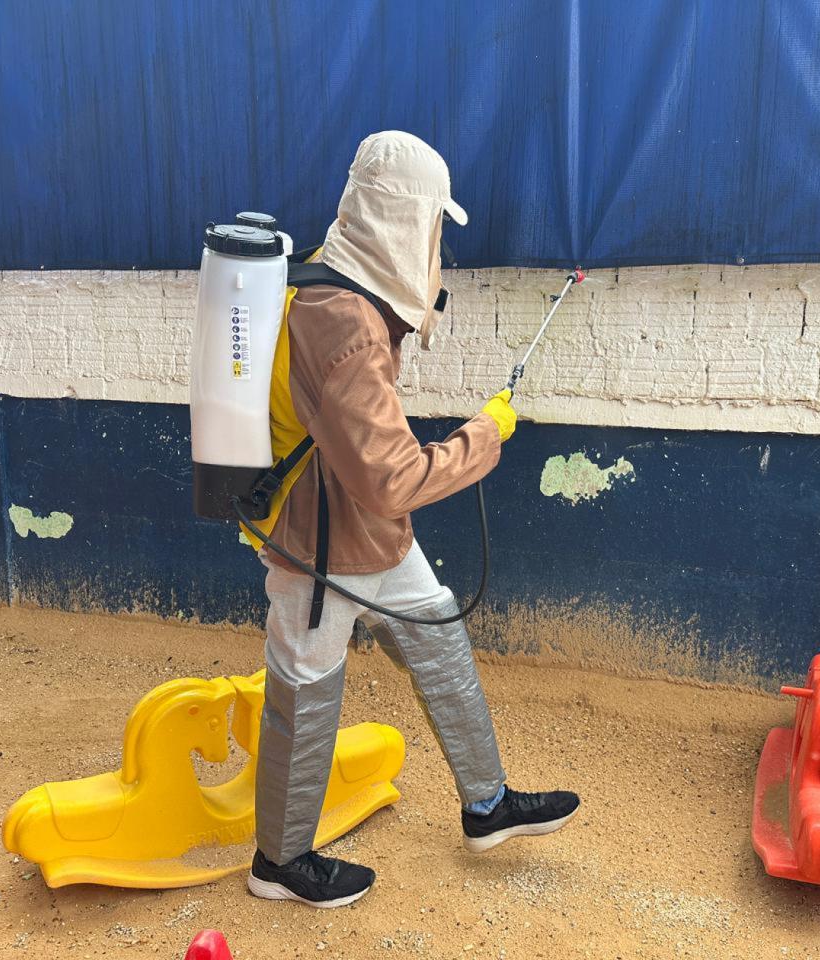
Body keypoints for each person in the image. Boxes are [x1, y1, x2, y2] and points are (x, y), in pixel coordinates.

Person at [246, 131, 580, 909]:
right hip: (319, 549)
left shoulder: (335, 285)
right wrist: (483, 436)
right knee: (303, 693)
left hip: (370, 535)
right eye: (432, 224)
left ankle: (488, 806)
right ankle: (279, 862)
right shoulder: (344, 323)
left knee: (439, 639)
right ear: (408, 219)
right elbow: (393, 478)